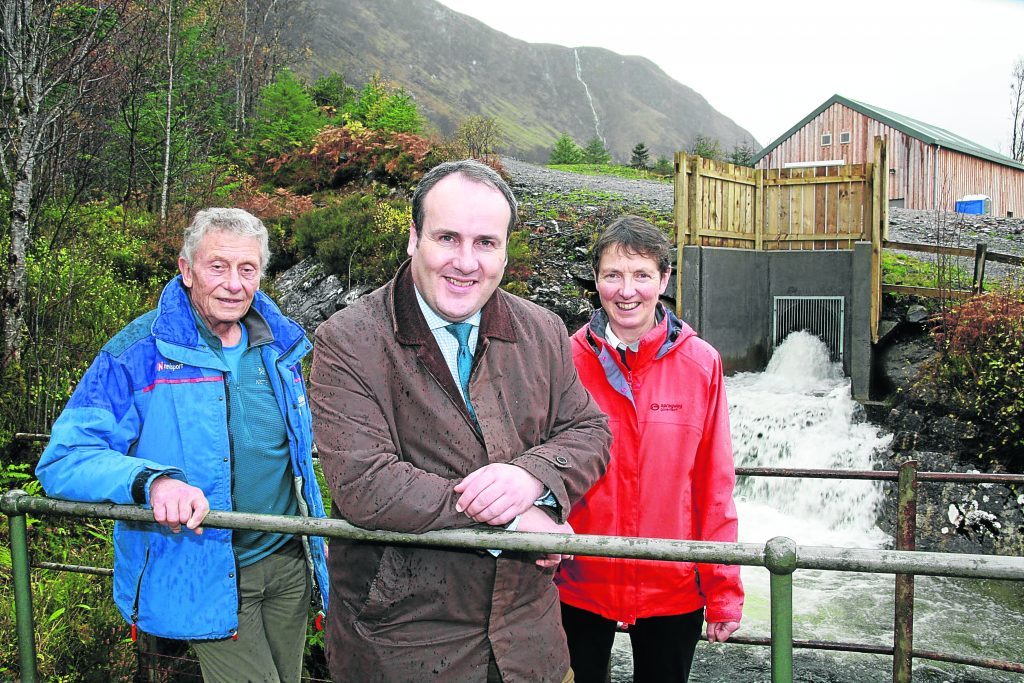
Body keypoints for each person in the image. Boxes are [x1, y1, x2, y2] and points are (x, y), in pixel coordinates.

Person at [310, 159, 612, 682]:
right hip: (402, 648)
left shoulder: (541, 330)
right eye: (447, 238)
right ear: (413, 238)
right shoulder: (350, 339)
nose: (466, 262)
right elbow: (366, 483)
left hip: (530, 645)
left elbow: (589, 431)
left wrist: (532, 476)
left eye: (486, 243)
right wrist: (516, 520)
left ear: (505, 250)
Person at [36, 208, 329, 683]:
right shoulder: (137, 352)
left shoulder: (280, 347)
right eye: (218, 267)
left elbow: (293, 458)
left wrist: (316, 535)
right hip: (204, 565)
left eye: (247, 269)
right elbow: (65, 459)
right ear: (186, 269)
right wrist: (152, 483)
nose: (234, 284)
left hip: (289, 564)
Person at [554, 215, 744, 683]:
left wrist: (722, 588)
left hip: (671, 585)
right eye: (613, 275)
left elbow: (713, 484)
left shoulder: (702, 364)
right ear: (595, 281)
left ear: (664, 279)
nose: (626, 290)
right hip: (577, 582)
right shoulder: (564, 358)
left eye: (641, 275)